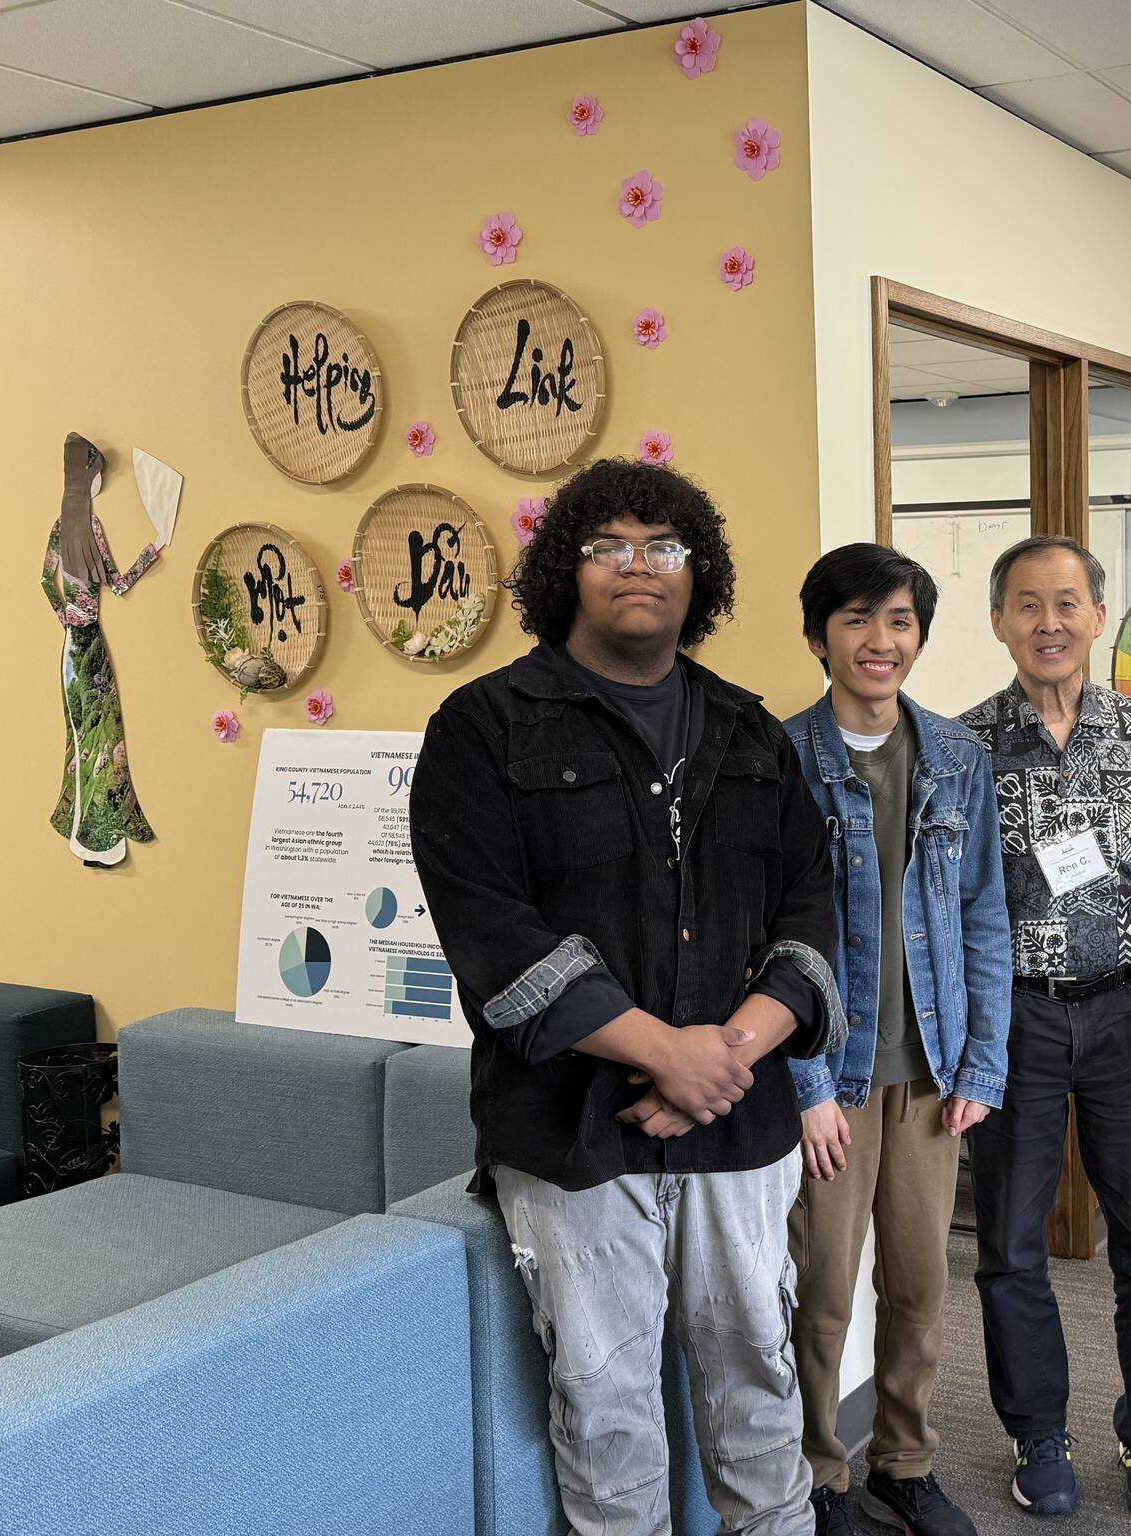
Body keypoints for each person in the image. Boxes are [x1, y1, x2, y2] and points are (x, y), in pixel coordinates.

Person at [411, 458, 841, 1536]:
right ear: (567, 569)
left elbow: (810, 912)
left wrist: (724, 1055)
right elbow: (490, 932)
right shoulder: (483, 725)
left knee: (758, 1385)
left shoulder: (750, 732)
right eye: (608, 546)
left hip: (740, 1126)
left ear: (701, 575)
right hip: (570, 1134)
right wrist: (663, 1050)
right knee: (602, 1405)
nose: (636, 567)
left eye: (663, 547)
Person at [958, 534, 1131, 1522]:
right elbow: (953, 899)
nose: (1047, 622)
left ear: (1099, 617)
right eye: (1025, 604)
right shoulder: (961, 746)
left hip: (1129, 1010)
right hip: (1013, 1017)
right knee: (1010, 1243)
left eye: (1066, 603)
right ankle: (1036, 1433)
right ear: (1000, 621)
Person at [782, 544, 1013, 1536]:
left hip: (930, 1073)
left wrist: (983, 1061)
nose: (881, 642)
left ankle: (902, 1463)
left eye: (900, 622)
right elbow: (766, 938)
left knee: (918, 1283)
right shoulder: (781, 759)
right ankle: (816, 1474)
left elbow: (983, 922)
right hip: (830, 1075)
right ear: (820, 636)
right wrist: (799, 1085)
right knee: (822, 1290)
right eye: (857, 621)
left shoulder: (957, 757)